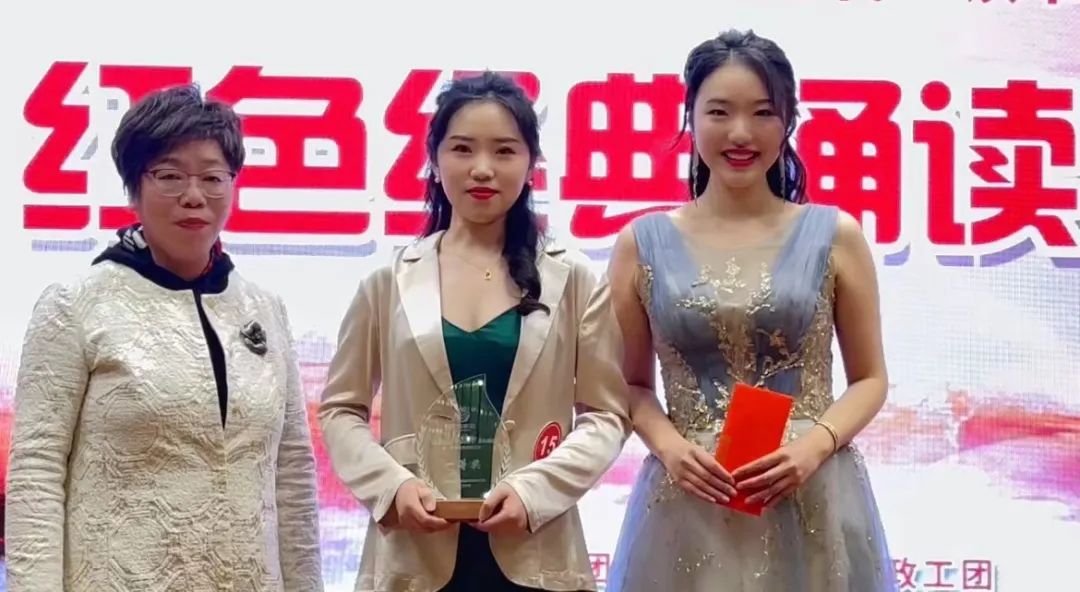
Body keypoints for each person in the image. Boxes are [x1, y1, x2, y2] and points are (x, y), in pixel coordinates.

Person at [605, 30, 897, 591]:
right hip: (691, 496)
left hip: (811, 489)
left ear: (788, 122)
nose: (740, 133)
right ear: (691, 117)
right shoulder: (640, 243)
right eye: (719, 112)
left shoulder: (835, 234)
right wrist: (671, 448)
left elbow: (871, 379)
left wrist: (814, 447)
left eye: (763, 113)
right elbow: (629, 386)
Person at [4, 85, 323, 591]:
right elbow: (36, 473)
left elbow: (293, 474)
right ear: (134, 188)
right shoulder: (76, 305)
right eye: (170, 176)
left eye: (212, 177)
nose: (194, 196)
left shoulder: (266, 310)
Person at [319, 72, 630, 592]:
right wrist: (391, 487)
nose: (482, 168)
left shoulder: (571, 277)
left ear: (531, 164)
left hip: (536, 554)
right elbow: (340, 409)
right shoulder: (389, 281)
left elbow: (606, 415)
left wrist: (535, 491)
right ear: (434, 159)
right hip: (414, 553)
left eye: (504, 151)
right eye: (462, 149)